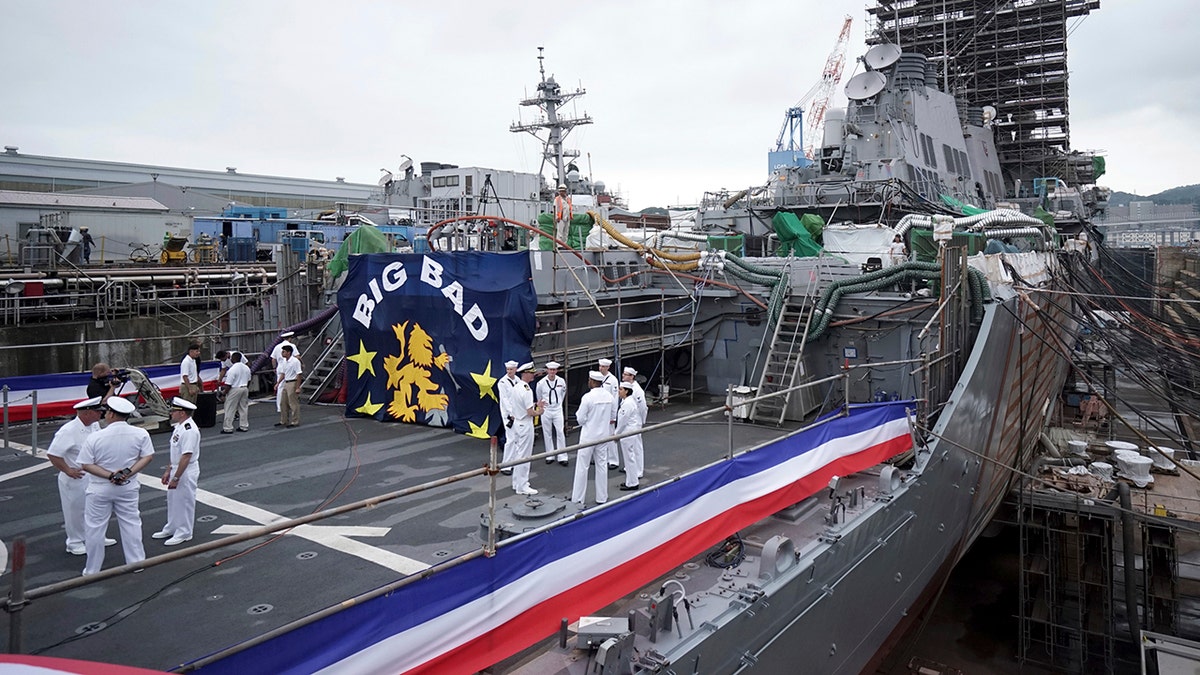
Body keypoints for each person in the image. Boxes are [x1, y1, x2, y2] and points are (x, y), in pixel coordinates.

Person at [77, 396, 154, 576]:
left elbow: (85, 464)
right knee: (131, 523)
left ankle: (92, 569)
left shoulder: (95, 437)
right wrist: (128, 472)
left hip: (99, 487)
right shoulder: (141, 434)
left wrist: (110, 475)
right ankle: (136, 562)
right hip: (127, 485)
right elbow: (148, 456)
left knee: (95, 528)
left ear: (111, 414)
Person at [46, 397, 116, 555]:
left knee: (95, 509)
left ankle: (95, 536)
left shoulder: (94, 426)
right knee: (75, 511)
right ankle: (74, 542)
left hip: (93, 475)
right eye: (97, 411)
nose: (101, 414)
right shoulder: (68, 430)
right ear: (87, 412)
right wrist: (67, 470)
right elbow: (53, 454)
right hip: (76, 476)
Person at [152, 397, 201, 546]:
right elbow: (176, 453)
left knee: (185, 501)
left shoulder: (189, 430)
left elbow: (186, 456)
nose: (171, 412)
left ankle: (184, 532)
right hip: (177, 467)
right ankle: (172, 527)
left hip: (185, 470)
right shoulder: (179, 427)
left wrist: (176, 477)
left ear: (182, 413)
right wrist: (169, 470)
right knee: (173, 500)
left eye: (174, 410)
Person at [571, 371, 613, 505]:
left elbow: (580, 419)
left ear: (592, 381)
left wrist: (587, 422)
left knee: (582, 467)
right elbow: (612, 415)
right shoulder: (609, 396)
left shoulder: (587, 397)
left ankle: (578, 499)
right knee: (602, 466)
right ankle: (602, 497)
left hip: (589, 436)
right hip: (603, 435)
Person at [507, 363, 544, 496]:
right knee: (525, 455)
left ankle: (517, 482)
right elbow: (529, 412)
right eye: (531, 372)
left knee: (518, 453)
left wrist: (535, 405)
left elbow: (519, 405)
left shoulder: (517, 387)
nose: (533, 374)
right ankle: (522, 486)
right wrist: (540, 411)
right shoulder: (527, 390)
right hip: (525, 424)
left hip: (517, 422)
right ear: (526, 373)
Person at [536, 361, 569, 466]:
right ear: (547, 371)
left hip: (557, 409)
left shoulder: (561, 381)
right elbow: (539, 397)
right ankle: (550, 454)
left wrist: (558, 403)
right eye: (550, 370)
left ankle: (562, 456)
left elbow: (563, 393)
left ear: (557, 371)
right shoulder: (541, 383)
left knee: (560, 432)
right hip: (546, 410)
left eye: (554, 370)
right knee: (547, 432)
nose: (552, 372)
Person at [621, 366, 647, 481]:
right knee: (629, 447)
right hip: (628, 421)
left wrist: (642, 421)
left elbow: (643, 408)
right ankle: (630, 468)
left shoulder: (637, 390)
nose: (623, 376)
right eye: (623, 374)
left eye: (626, 374)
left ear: (632, 376)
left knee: (636, 447)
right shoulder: (625, 387)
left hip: (635, 421)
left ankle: (638, 471)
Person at [616, 382, 643, 492]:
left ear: (626, 391)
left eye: (621, 389)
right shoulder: (628, 401)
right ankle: (631, 480)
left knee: (629, 458)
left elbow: (623, 421)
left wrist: (616, 434)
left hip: (627, 432)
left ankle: (632, 483)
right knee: (629, 458)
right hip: (631, 431)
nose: (619, 391)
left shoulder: (627, 403)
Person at [497, 360, 522, 475]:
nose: (509, 371)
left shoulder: (517, 380)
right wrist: (511, 413)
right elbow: (505, 400)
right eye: (508, 369)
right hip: (509, 414)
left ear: (515, 369)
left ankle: (515, 462)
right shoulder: (502, 382)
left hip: (518, 413)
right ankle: (506, 465)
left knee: (517, 439)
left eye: (511, 369)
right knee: (511, 439)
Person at [596, 358, 620, 469]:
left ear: (608, 367)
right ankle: (602, 458)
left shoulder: (613, 380)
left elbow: (615, 399)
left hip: (609, 411)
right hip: (599, 411)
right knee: (600, 435)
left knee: (611, 436)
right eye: (600, 366)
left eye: (603, 367)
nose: (601, 368)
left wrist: (613, 415)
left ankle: (613, 460)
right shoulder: (597, 378)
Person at [221, 352, 251, 433]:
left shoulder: (232, 369)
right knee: (243, 408)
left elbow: (228, 384)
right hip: (244, 387)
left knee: (230, 408)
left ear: (232, 359)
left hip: (235, 389)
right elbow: (249, 380)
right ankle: (244, 426)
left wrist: (224, 393)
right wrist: (246, 388)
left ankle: (228, 428)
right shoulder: (246, 368)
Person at [270, 332, 298, 414]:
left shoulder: (277, 346)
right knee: (291, 386)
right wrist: (302, 364)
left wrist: (274, 368)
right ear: (290, 338)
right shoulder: (292, 346)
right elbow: (297, 356)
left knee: (280, 387)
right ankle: (290, 406)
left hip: (280, 367)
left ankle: (279, 407)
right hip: (290, 367)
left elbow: (273, 359)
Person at [275, 345, 302, 427]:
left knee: (293, 403)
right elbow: (283, 373)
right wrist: (278, 383)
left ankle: (295, 421)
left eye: (283, 351)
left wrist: (297, 387)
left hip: (292, 382)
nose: (282, 353)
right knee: (283, 402)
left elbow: (299, 374)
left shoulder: (295, 361)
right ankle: (284, 420)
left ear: (288, 352)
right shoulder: (284, 361)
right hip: (286, 382)